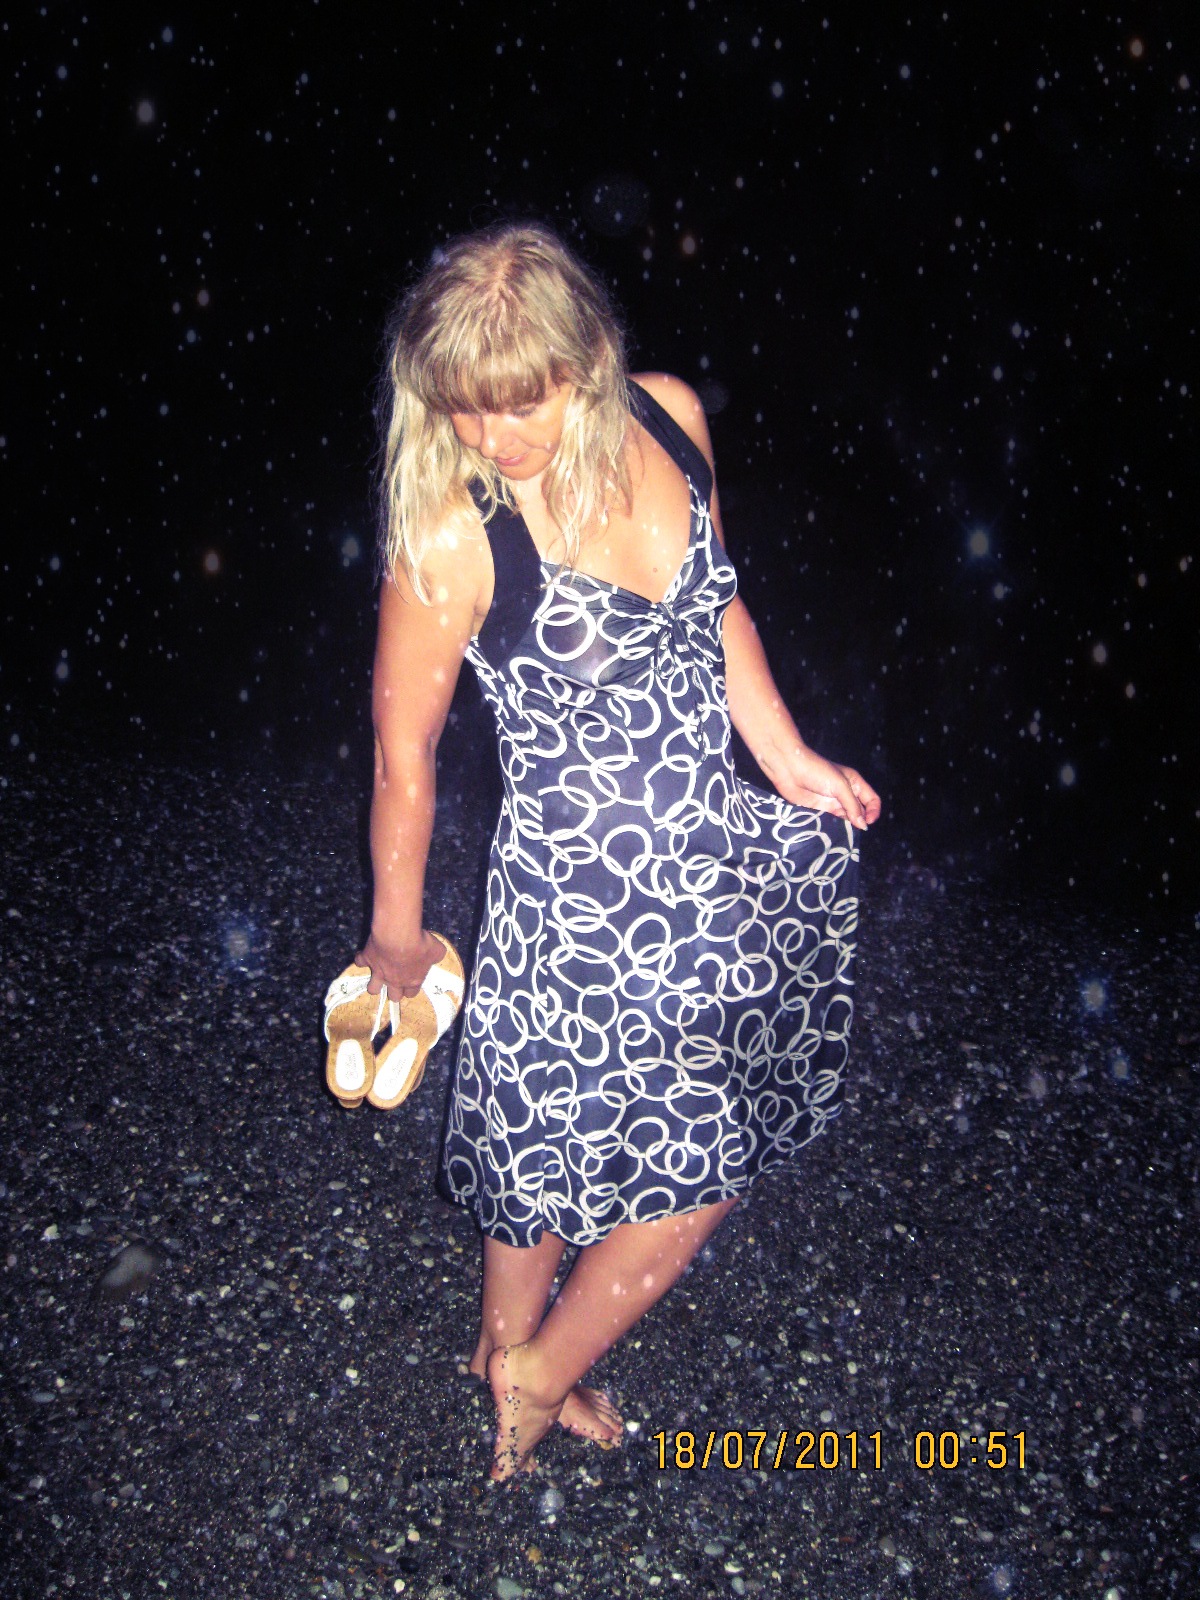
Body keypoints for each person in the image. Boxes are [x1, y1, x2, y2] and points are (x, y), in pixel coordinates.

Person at [357, 221, 881, 1480]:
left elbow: (717, 601)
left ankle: (504, 1363)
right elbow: (402, 756)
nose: (494, 436)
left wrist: (785, 752)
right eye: (466, 406)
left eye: (522, 401)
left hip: (708, 859)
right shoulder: (454, 531)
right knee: (654, 1156)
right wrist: (394, 938)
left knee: (610, 1135)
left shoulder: (670, 417)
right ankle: (532, 1373)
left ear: (587, 361)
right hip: (574, 901)